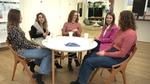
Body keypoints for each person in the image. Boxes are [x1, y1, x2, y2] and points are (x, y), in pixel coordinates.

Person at [70, 10, 137, 84]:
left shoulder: (131, 34)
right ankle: (79, 80)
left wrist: (105, 54)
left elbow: (122, 54)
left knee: (89, 62)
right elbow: (113, 45)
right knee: (87, 56)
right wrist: (105, 51)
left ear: (125, 20)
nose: (119, 20)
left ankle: (81, 82)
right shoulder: (121, 30)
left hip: (118, 59)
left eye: (120, 18)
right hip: (112, 52)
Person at [7, 9, 51, 84]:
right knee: (48, 52)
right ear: (15, 17)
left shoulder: (16, 27)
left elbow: (25, 40)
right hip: (22, 51)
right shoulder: (13, 29)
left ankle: (37, 67)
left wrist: (35, 45)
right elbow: (22, 43)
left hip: (23, 49)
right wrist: (35, 47)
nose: (22, 17)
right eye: (20, 16)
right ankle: (40, 74)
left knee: (47, 51)